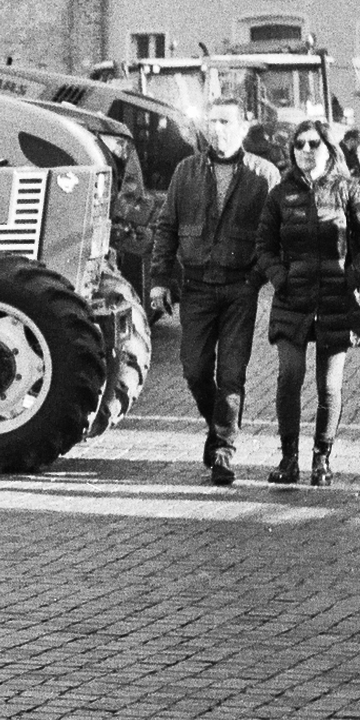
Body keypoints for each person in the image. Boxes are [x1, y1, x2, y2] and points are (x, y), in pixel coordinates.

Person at [149, 100, 282, 485]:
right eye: (212, 121)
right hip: (196, 287)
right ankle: (217, 426)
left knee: (231, 373)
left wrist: (256, 278)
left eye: (225, 122)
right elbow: (167, 227)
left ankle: (224, 449)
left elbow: (273, 235)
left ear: (242, 128)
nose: (217, 128)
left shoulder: (263, 175)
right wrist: (159, 279)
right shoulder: (186, 172)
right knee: (194, 369)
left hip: (239, 288)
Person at [256, 121, 360, 485]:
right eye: (299, 144)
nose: (306, 150)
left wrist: (351, 276)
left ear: (329, 148)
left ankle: (321, 458)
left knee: (329, 386)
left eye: (314, 143)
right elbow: (263, 247)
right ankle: (288, 459)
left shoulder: (349, 190)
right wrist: (280, 277)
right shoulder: (280, 195)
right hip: (291, 301)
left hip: (335, 301)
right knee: (289, 376)